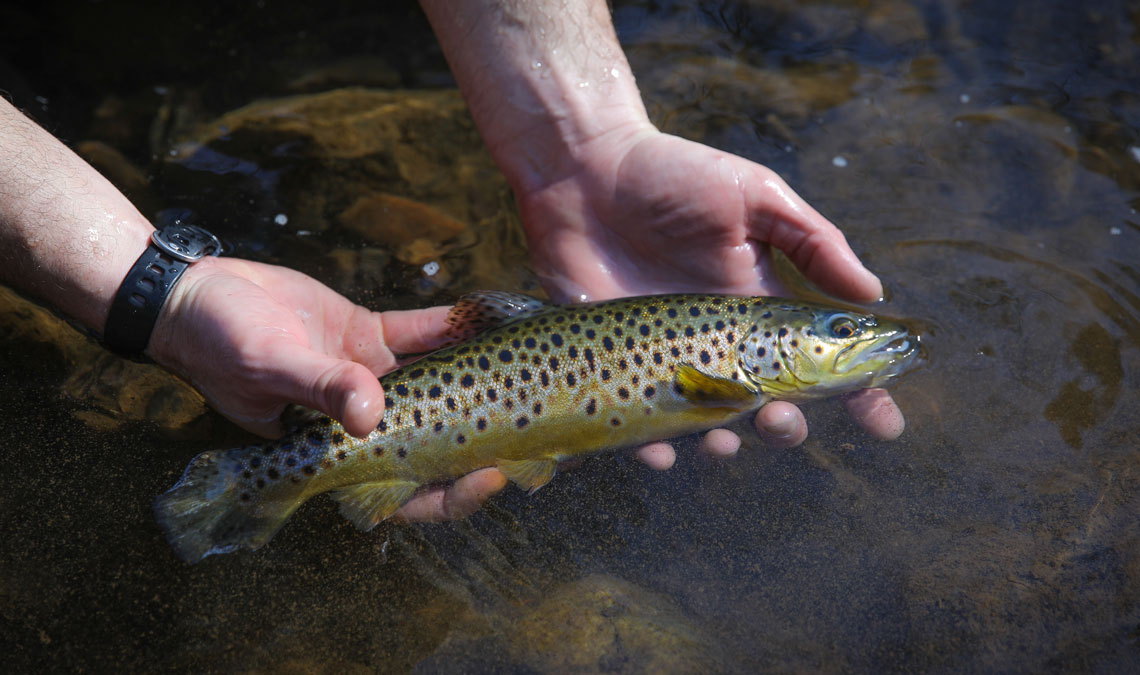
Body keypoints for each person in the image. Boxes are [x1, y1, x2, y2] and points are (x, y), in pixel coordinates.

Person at [0, 0, 904, 523]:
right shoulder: (733, 377)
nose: (857, 336)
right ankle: (264, 483)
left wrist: (591, 138)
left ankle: (279, 478)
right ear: (767, 351)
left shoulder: (732, 365)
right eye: (840, 331)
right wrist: (160, 298)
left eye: (842, 333)